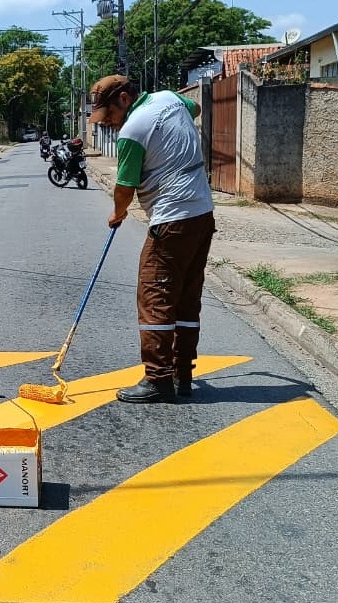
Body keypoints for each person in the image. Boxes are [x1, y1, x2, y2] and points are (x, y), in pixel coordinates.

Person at [88, 74, 215, 404]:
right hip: (202, 214)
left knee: (155, 295)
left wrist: (117, 214)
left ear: (124, 100)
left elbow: (124, 187)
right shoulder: (171, 100)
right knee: (186, 297)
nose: (111, 125)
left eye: (110, 116)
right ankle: (182, 373)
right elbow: (196, 107)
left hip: (171, 219)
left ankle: (158, 378)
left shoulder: (133, 131)